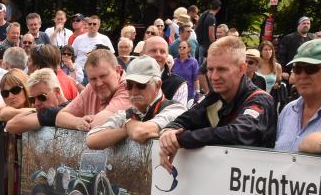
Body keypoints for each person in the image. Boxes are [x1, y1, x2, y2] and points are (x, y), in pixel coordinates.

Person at [159, 36, 277, 168]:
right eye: (210, 69)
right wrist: (169, 132)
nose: (214, 77)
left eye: (222, 69)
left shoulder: (260, 100)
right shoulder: (216, 95)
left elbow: (238, 133)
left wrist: (181, 139)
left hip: (253, 181)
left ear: (242, 69)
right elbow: (186, 119)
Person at [86, 56, 186, 149]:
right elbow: (91, 140)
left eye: (141, 85)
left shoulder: (176, 109)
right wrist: (126, 129)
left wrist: (128, 126)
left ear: (158, 85)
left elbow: (141, 132)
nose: (134, 91)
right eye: (129, 85)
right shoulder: (128, 114)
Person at [172, 36, 201, 101]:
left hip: (189, 94)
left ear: (189, 49)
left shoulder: (193, 62)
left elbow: (196, 79)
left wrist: (197, 93)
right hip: (175, 93)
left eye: (184, 47)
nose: (181, 48)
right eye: (180, 47)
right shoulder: (173, 61)